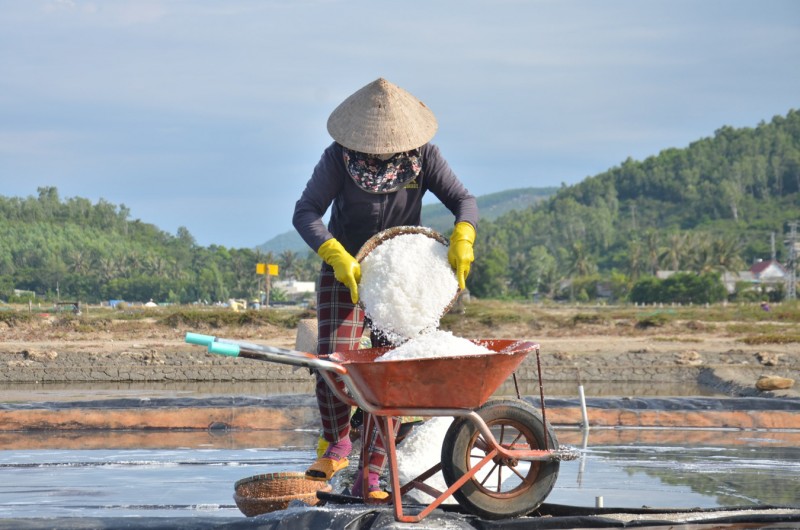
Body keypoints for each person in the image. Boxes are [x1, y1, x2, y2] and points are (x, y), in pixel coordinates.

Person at [292, 77, 478, 500]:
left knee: (391, 373)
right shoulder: (338, 158)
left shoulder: (424, 157)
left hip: (398, 274)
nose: (379, 153)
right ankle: (338, 443)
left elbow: (463, 201)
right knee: (332, 358)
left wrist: (464, 234)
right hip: (345, 267)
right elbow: (306, 212)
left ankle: (371, 477)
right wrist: (335, 253)